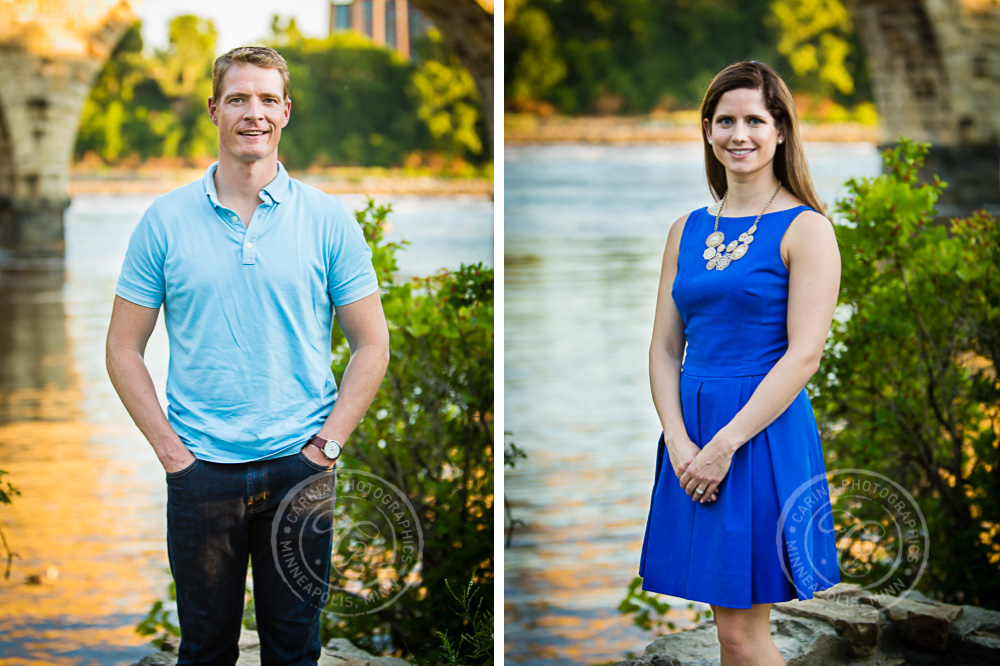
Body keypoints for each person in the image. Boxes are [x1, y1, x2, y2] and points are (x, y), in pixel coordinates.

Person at [106, 46, 390, 665]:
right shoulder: (164, 221)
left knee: (294, 652)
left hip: (300, 469)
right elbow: (123, 349)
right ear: (214, 109)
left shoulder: (326, 219)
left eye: (266, 100)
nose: (252, 113)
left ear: (285, 112)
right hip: (200, 469)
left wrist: (328, 447)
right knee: (205, 651)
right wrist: (169, 451)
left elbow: (373, 344)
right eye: (238, 98)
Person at [637, 61, 842, 665]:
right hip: (690, 431)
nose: (739, 134)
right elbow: (664, 347)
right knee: (729, 626)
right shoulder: (686, 229)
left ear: (781, 130)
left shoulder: (808, 230)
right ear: (707, 130)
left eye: (755, 119)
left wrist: (724, 444)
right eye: (724, 120)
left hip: (758, 432)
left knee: (742, 633)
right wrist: (678, 439)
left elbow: (804, 355)